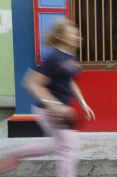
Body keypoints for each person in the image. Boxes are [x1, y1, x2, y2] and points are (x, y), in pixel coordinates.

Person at [0, 19, 95, 177]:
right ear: (61, 37)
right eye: (73, 34)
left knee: (59, 146)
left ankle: (17, 154)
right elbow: (32, 83)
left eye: (78, 34)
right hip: (48, 111)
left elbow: (69, 80)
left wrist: (83, 102)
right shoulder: (54, 58)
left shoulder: (71, 56)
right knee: (70, 149)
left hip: (59, 111)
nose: (78, 37)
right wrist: (57, 106)